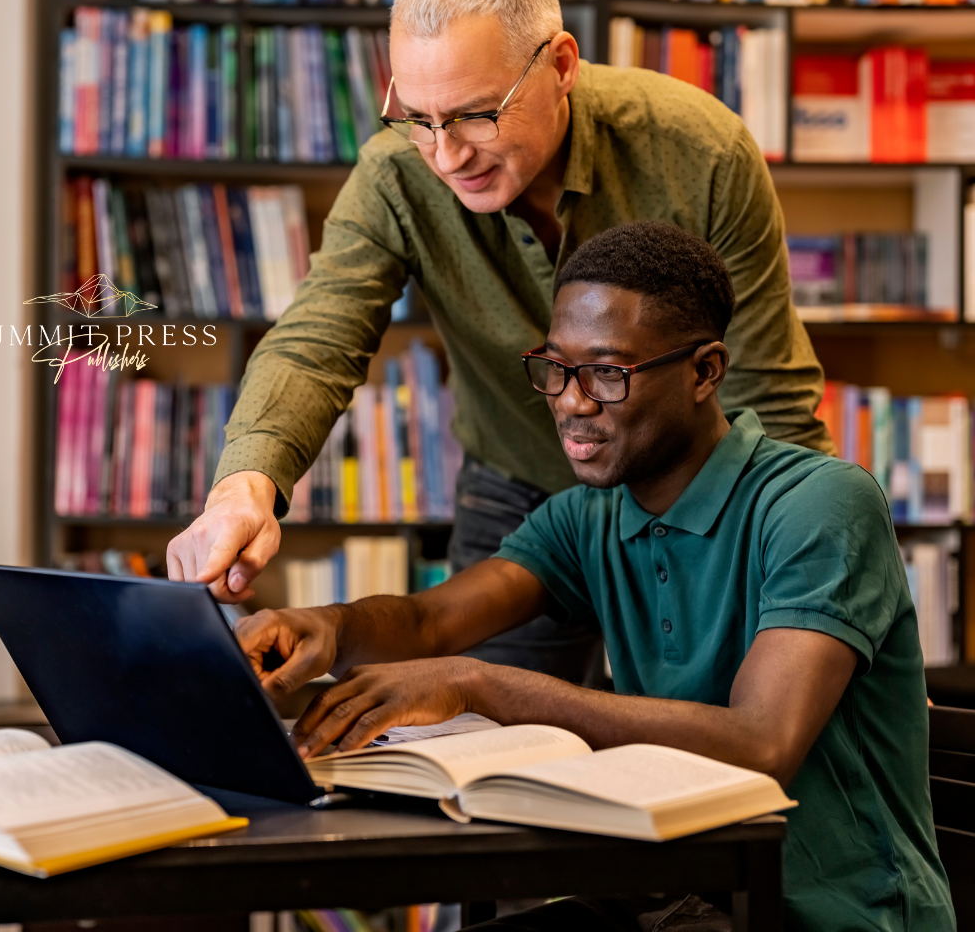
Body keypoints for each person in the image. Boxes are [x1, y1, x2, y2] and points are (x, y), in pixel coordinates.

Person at [234, 224, 954, 932]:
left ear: (705, 371)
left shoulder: (819, 502)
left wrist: (485, 684)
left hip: (830, 914)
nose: (572, 401)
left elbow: (763, 742)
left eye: (608, 373)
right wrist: (329, 627)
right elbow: (430, 623)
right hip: (678, 900)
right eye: (556, 368)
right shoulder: (587, 518)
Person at [167, 0, 833, 685]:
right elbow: (318, 336)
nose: (446, 155)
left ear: (560, 66)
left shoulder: (699, 151)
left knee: (713, 737)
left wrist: (802, 553)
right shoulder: (394, 176)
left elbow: (768, 393)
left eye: (477, 114)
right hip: (516, 482)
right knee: (490, 749)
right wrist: (244, 484)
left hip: (688, 490)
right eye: (417, 117)